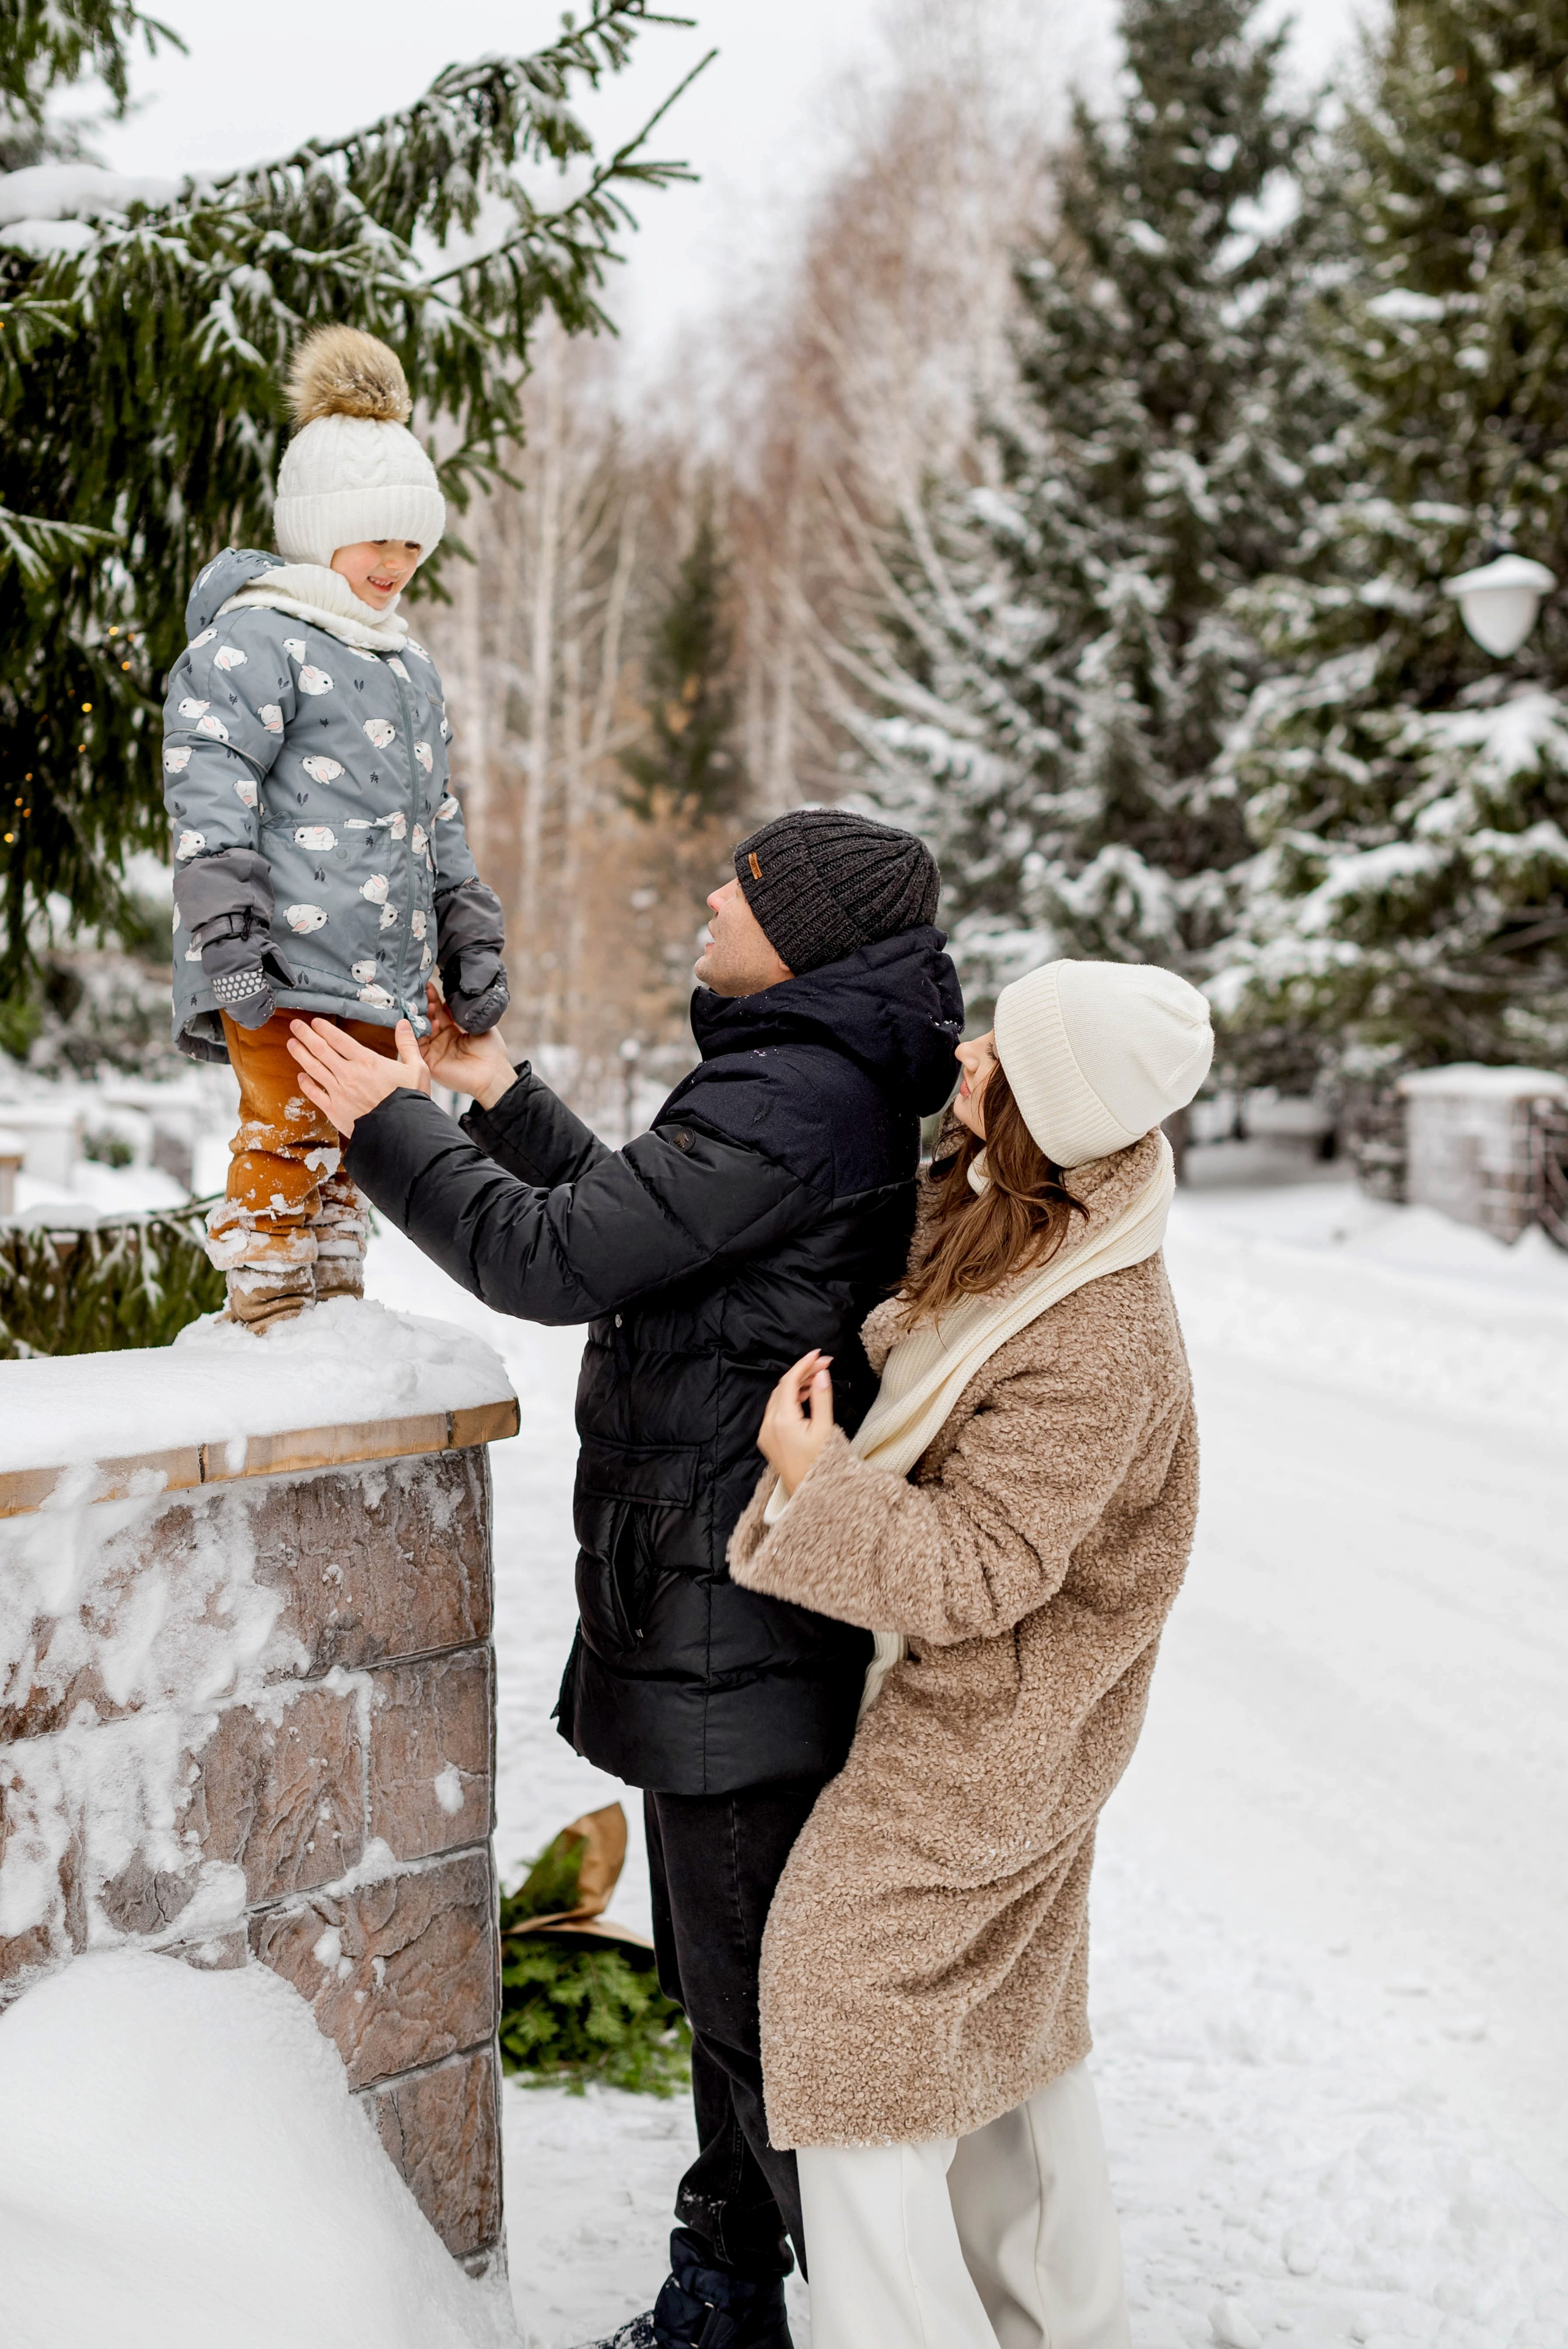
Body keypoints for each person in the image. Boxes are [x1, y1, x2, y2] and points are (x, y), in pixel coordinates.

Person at [282, 809, 964, 2349]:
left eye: (748, 883)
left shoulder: (799, 1090)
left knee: (764, 2029)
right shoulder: (804, 1082)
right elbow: (645, 1230)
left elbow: (551, 1262)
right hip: (716, 1602)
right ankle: (726, 2301)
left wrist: (390, 1121)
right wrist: (494, 1098)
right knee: (743, 2013)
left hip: (735, 1616)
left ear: (804, 937)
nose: (714, 895)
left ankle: (873, 2314)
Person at [725, 957, 1214, 2349]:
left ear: (1050, 1112)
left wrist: (815, 1480)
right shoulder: (1043, 1212)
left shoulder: (1095, 1330)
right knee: (998, 2025)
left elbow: (979, 1569)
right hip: (1021, 1714)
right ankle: (1057, 2322)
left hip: (1002, 1723)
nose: (974, 1048)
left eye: (1008, 1047)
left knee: (847, 1998)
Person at [162, 325, 508, 1330]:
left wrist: (467, 931)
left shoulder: (406, 664)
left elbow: (434, 816)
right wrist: (229, 937)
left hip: (385, 974)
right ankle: (271, 1312)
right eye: (377, 538)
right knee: (283, 1131)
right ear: (319, 527)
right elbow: (207, 789)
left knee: (364, 1141)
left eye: (414, 541)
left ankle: (334, 1321)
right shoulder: (253, 642)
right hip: (279, 965)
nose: (398, 562)